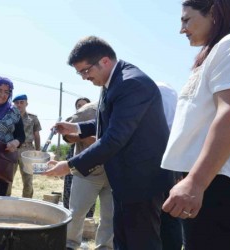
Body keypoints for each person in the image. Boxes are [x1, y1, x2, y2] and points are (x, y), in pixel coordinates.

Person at [44, 36, 174, 250]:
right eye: (80, 73)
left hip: (142, 182)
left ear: (104, 61)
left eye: (86, 71)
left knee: (141, 242)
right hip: (125, 180)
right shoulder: (112, 81)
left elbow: (114, 137)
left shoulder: (132, 83)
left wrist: (68, 166)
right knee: (122, 240)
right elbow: (109, 121)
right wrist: (77, 128)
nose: (84, 77)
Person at [161, 1, 230, 249]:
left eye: (186, 20)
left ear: (214, 12)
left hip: (220, 183)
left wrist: (196, 182)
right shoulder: (222, 49)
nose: (182, 29)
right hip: (211, 179)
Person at [64, 101, 114, 250]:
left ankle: (105, 247)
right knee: (77, 212)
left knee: (110, 215)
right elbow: (67, 135)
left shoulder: (121, 106)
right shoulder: (89, 110)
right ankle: (70, 245)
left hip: (114, 172)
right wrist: (91, 139)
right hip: (88, 172)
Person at [156, 82, 183, 250]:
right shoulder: (170, 93)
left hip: (162, 162)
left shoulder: (158, 92)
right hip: (174, 161)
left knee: (166, 216)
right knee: (171, 216)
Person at [6, 94, 41, 198]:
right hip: (12, 150)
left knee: (28, 181)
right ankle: (5, 202)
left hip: (28, 150)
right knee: (7, 179)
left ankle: (27, 203)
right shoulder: (8, 117)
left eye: (22, 102)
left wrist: (38, 151)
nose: (19, 105)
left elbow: (37, 135)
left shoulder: (33, 118)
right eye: (17, 102)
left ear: (26, 103)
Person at [62, 97, 91, 211]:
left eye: (84, 105)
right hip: (73, 154)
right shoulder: (73, 121)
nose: (82, 108)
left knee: (86, 192)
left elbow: (95, 140)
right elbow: (66, 137)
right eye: (79, 106)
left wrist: (77, 136)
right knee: (69, 188)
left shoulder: (97, 123)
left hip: (90, 157)